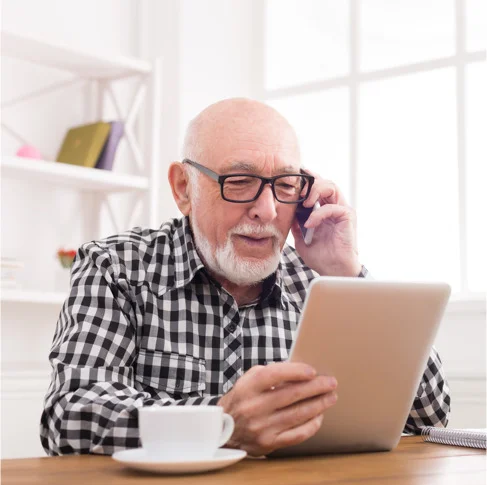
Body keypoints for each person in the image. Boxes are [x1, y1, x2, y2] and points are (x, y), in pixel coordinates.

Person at [40, 98, 450, 456]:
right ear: (184, 188)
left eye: (286, 184)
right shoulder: (116, 266)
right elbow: (69, 414)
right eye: (240, 182)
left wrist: (347, 273)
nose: (268, 210)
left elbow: (429, 416)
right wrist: (221, 422)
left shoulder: (320, 283)